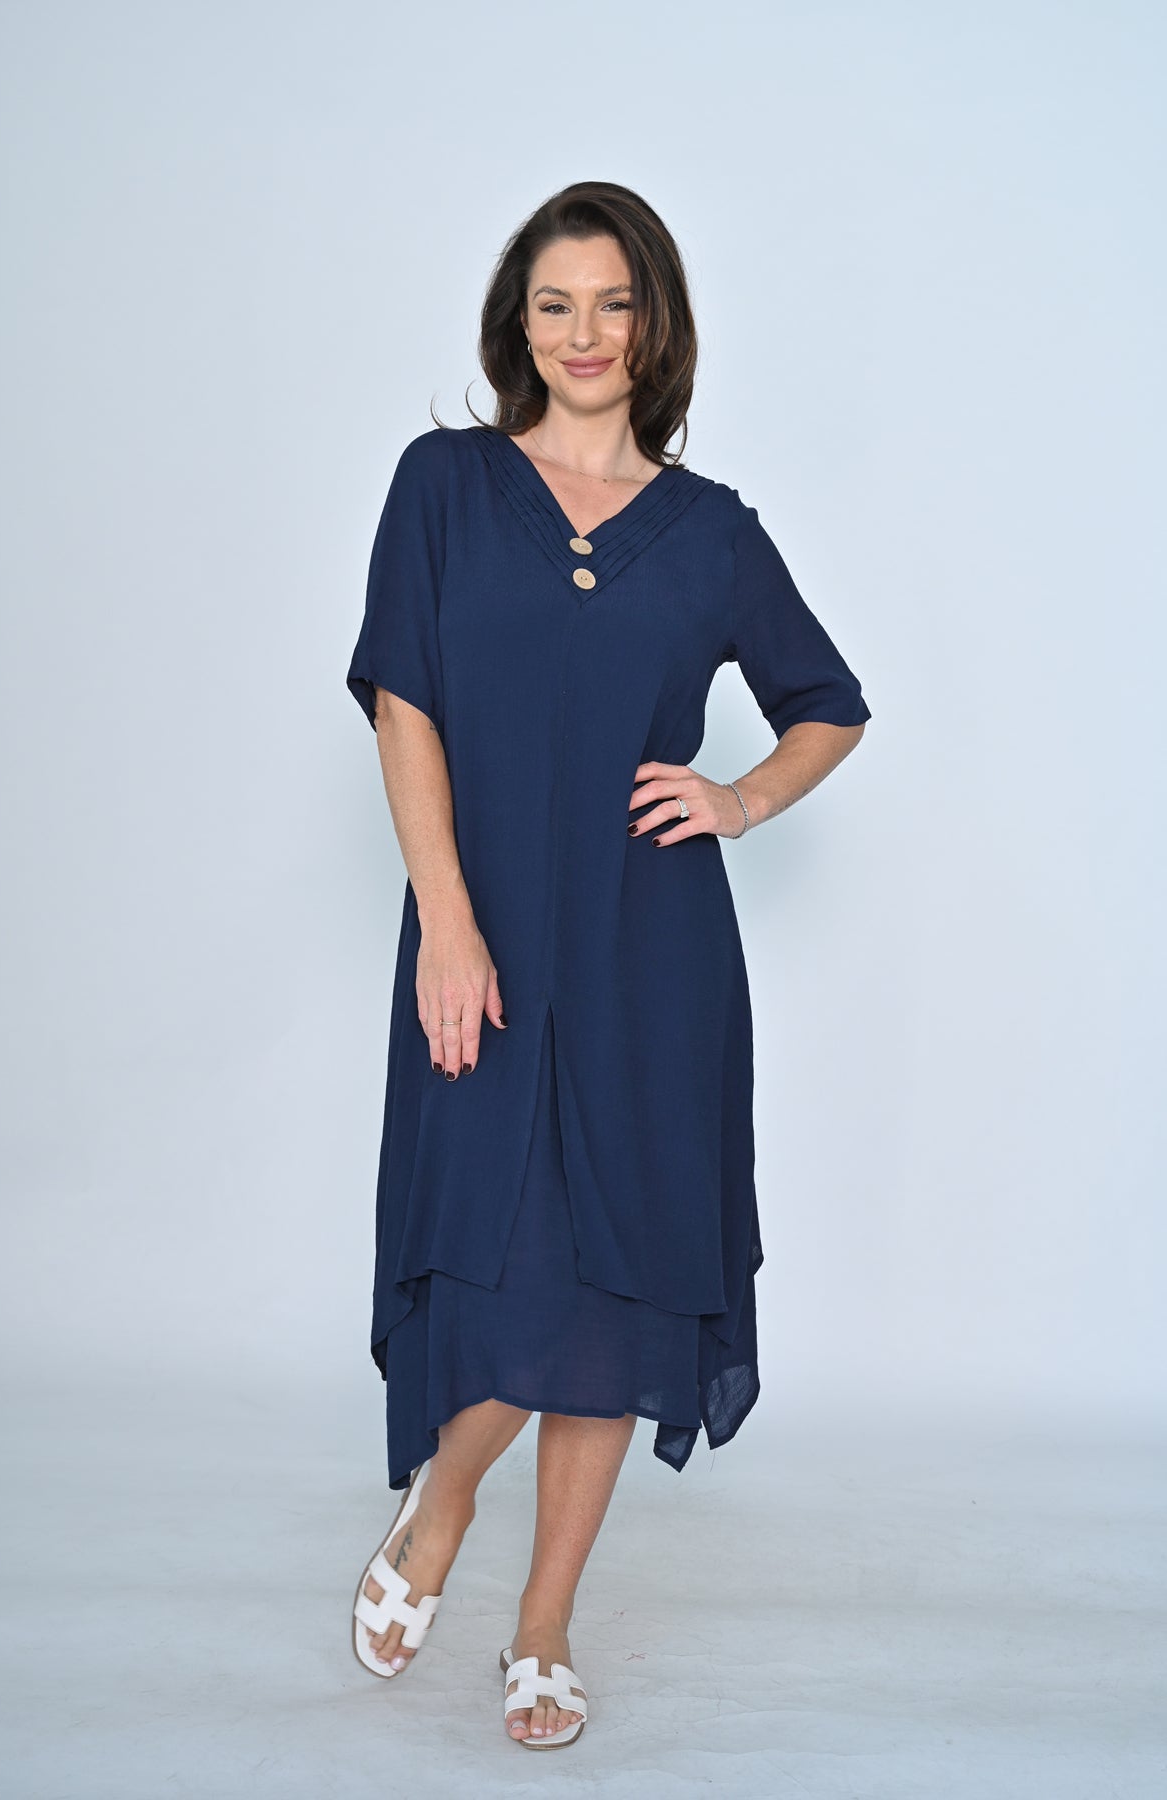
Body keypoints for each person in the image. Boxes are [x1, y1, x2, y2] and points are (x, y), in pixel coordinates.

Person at [344, 180, 872, 1748]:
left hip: (652, 955)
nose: (584, 333)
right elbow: (404, 704)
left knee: (620, 1294)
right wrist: (446, 919)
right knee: (508, 1267)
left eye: (614, 303)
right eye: (555, 304)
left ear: (655, 325)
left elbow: (828, 703)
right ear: (518, 324)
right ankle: (444, 1506)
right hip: (490, 934)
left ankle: (543, 1627)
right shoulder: (444, 487)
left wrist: (737, 800)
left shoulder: (710, 535)